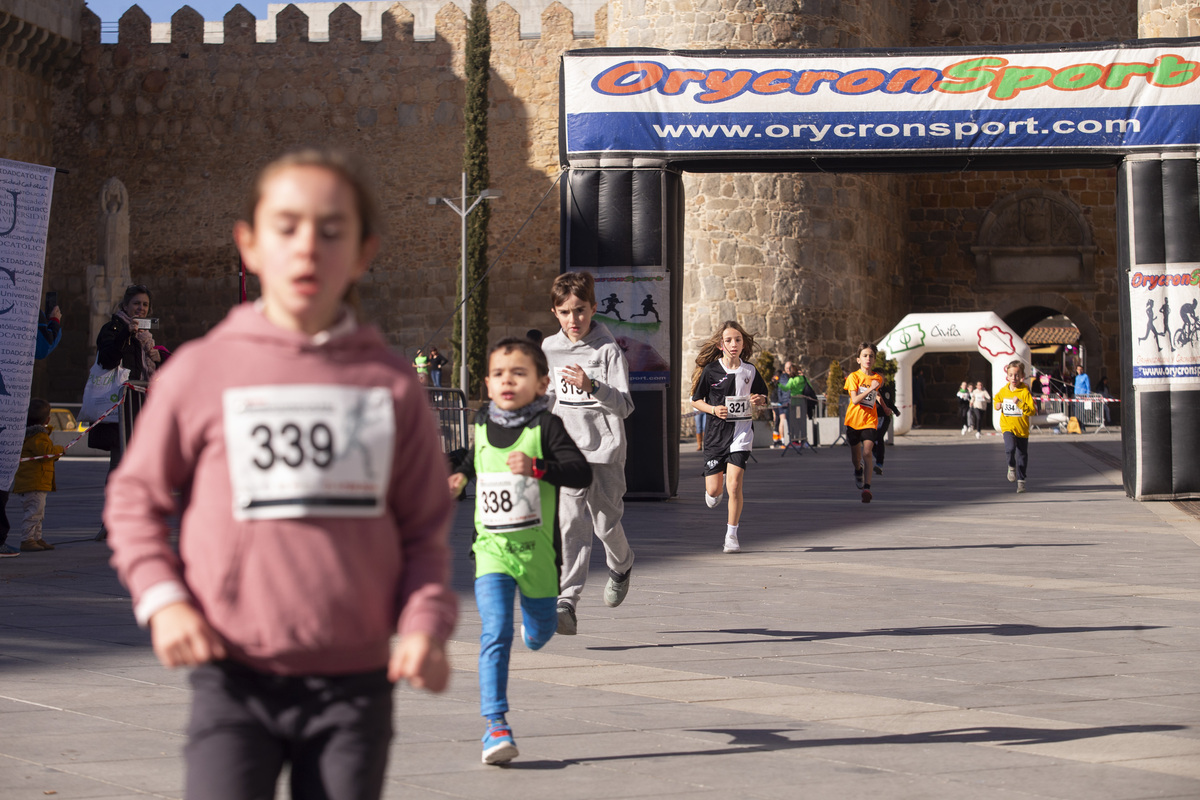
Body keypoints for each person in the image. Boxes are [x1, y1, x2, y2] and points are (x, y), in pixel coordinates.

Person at [105, 149, 457, 800]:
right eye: (287, 226)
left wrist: (424, 621)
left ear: (362, 252)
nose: (308, 248)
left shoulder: (390, 386)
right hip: (231, 674)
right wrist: (164, 600)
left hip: (354, 683)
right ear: (250, 244)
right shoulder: (201, 371)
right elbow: (134, 499)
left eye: (331, 230)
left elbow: (424, 528)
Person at [449, 337, 592, 764]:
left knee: (539, 633)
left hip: (538, 557)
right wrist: (456, 475)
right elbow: (473, 458)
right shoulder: (479, 421)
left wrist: (537, 468)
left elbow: (580, 470)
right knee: (495, 632)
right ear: (488, 385)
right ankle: (495, 725)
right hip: (492, 551)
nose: (507, 380)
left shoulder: (545, 428)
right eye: (497, 374)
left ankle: (541, 626)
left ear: (542, 383)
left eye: (518, 373)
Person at [542, 271, 636, 636]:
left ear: (593, 308)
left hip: (606, 451)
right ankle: (567, 601)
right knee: (570, 523)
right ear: (555, 312)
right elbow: (549, 396)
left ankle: (622, 566)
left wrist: (592, 385)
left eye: (580, 311)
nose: (573, 320)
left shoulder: (607, 350)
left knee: (606, 524)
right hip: (568, 452)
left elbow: (625, 405)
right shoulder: (550, 349)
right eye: (565, 312)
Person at [691, 320, 769, 553]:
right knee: (715, 491)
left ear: (743, 343)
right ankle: (714, 489)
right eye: (728, 340)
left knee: (734, 485)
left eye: (738, 340)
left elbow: (763, 395)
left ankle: (731, 535)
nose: (733, 344)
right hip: (716, 436)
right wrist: (714, 409)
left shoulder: (750, 370)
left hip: (741, 435)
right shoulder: (711, 371)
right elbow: (695, 400)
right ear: (720, 345)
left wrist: (759, 400)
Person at [89, 284, 161, 473]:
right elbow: (107, 360)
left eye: (145, 305)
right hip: (120, 406)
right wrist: (125, 334)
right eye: (136, 303)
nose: (141, 308)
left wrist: (159, 361)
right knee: (119, 465)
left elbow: (149, 373)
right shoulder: (112, 328)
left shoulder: (146, 337)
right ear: (125, 306)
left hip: (141, 407)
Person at [13, 399, 65, 552]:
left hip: (32, 482)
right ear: (47, 419)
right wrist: (60, 449)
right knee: (34, 513)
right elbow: (47, 452)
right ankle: (27, 539)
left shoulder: (26, 435)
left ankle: (37, 538)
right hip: (34, 482)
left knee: (38, 512)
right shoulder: (38, 437)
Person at [844, 342, 889, 503]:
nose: (868, 358)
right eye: (865, 355)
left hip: (870, 421)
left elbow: (876, 396)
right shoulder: (853, 377)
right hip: (853, 420)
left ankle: (867, 488)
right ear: (858, 359)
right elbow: (855, 400)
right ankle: (858, 470)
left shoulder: (877, 378)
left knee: (867, 453)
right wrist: (871, 389)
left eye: (871, 356)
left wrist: (885, 406)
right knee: (856, 459)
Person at [993, 360, 1036, 493]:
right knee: (1010, 448)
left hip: (1022, 428)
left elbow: (1032, 411)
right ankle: (1011, 466)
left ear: (1022, 376)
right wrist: (997, 405)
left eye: (1017, 375)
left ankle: (1021, 481)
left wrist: (1020, 404)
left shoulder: (1024, 392)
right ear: (1007, 376)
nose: (1014, 378)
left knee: (1022, 455)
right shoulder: (1004, 390)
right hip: (1008, 426)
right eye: (1011, 375)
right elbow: (996, 400)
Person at [874, 374, 899, 475]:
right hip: (873, 418)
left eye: (881, 379)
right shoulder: (870, 389)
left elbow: (890, 403)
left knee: (879, 437)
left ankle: (880, 463)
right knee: (869, 439)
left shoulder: (887, 390)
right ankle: (877, 453)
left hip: (884, 418)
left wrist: (896, 411)